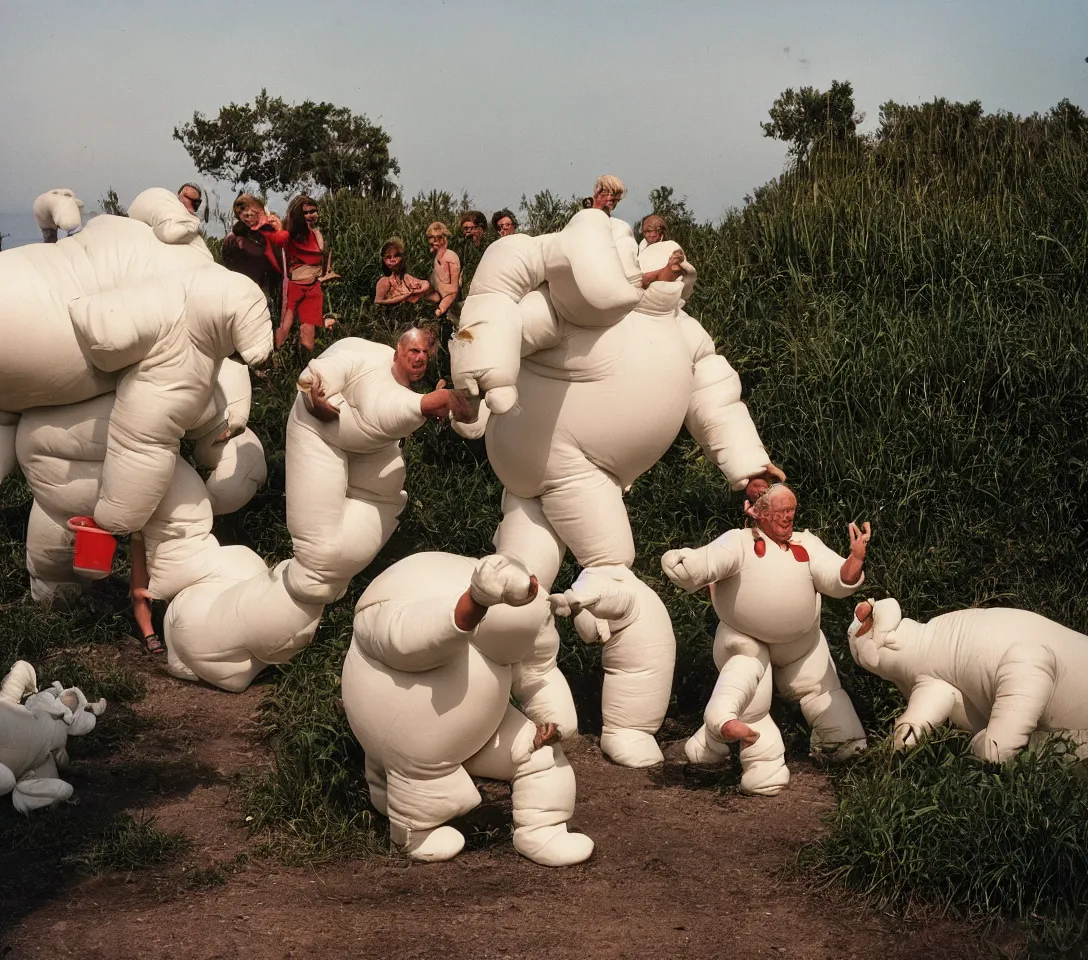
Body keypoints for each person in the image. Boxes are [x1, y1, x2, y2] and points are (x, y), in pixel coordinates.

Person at [661, 484, 871, 793]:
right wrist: (685, 564)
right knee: (750, 693)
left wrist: (854, 559)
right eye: (781, 512)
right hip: (747, 641)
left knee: (826, 697)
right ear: (758, 513)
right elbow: (707, 565)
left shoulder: (807, 543)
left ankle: (841, 749)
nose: (788, 518)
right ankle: (761, 765)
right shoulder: (739, 542)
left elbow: (836, 580)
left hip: (802, 644)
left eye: (792, 511)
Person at [267, 195, 338, 352]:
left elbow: (322, 257)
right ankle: (277, 359)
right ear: (297, 214)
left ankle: (306, 363)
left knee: (309, 328)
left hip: (313, 286)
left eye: (313, 211)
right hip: (294, 286)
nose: (310, 215)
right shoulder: (288, 234)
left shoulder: (316, 234)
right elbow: (278, 245)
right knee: (285, 325)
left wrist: (324, 273)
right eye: (305, 212)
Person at [221, 194, 282, 298]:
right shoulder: (236, 237)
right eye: (240, 213)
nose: (244, 215)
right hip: (251, 284)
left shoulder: (273, 225)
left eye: (246, 209)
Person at [374, 238, 431, 306]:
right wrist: (403, 297)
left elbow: (425, 283)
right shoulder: (385, 281)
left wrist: (416, 291)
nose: (393, 260)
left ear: (402, 258)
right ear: (383, 260)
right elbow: (377, 302)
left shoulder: (406, 277)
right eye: (388, 257)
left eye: (396, 256)